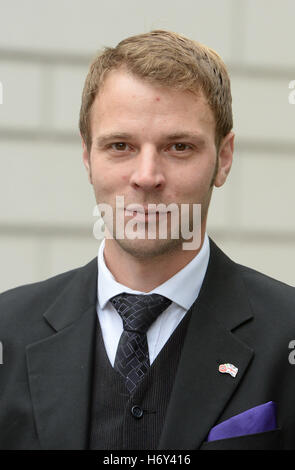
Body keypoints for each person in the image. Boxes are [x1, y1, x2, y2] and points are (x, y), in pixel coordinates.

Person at [0, 30, 294, 451]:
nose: (147, 176)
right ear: (87, 157)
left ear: (223, 159)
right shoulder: (6, 332)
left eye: (179, 147)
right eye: (120, 146)